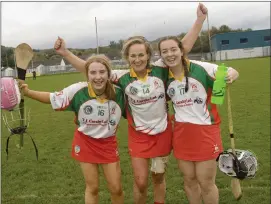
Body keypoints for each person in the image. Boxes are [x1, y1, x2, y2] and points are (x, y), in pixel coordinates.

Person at [54, 4, 208, 204]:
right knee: (141, 182)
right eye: (133, 56)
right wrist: (65, 53)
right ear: (128, 58)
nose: (138, 59)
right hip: (138, 136)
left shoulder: (160, 70)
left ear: (148, 56)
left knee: (158, 177)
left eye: (141, 55)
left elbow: (182, 49)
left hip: (162, 133)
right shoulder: (122, 77)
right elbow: (91, 68)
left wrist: (199, 20)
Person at [20, 55, 125, 204]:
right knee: (93, 188)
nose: (98, 77)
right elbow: (52, 98)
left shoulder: (120, 93)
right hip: (86, 143)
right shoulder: (78, 90)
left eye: (102, 72)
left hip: (108, 144)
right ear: (87, 74)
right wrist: (28, 92)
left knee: (116, 188)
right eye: (93, 73)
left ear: (109, 74)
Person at [157, 35, 239, 204]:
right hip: (181, 134)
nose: (170, 54)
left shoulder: (201, 68)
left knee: (206, 182)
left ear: (181, 51)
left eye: (173, 49)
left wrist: (231, 74)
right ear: (160, 55)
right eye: (164, 51)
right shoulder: (164, 76)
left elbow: (230, 71)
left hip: (206, 132)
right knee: (189, 181)